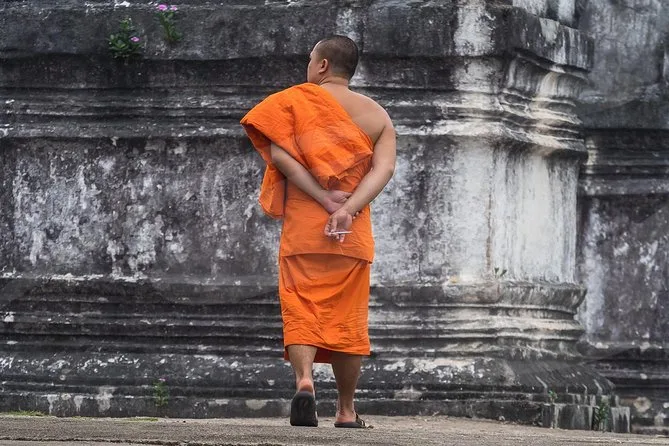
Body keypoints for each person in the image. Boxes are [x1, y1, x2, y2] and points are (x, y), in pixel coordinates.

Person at [240, 35, 396, 429]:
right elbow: (384, 170)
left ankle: (305, 381)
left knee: (301, 310)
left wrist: (324, 199)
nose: (308, 66)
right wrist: (347, 208)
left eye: (311, 59)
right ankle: (345, 410)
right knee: (347, 321)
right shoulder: (377, 115)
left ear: (322, 65)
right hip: (351, 235)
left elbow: (280, 156)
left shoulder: (293, 102)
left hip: (305, 231)